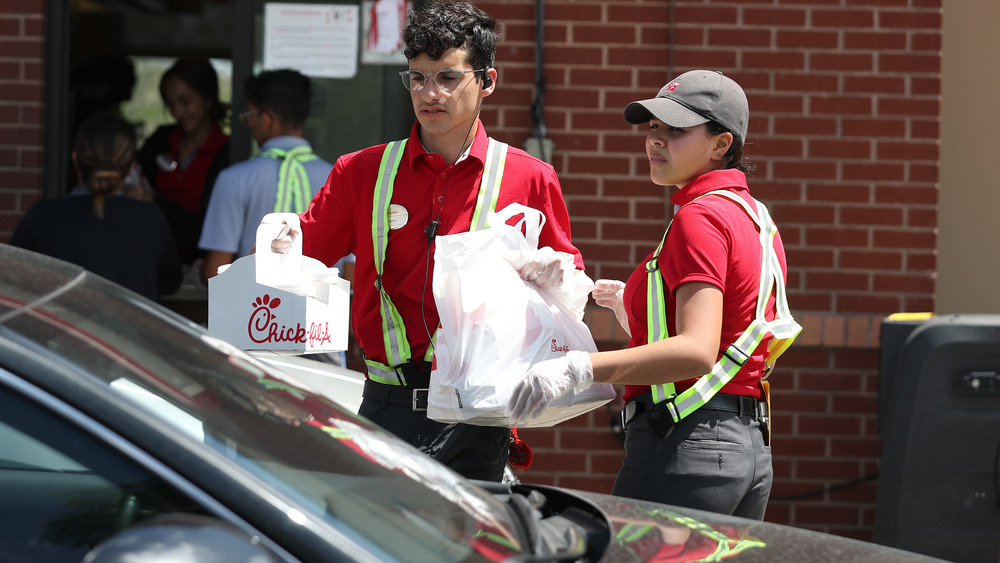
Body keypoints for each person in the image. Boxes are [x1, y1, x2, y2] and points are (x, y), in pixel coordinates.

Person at [265, 0, 583, 481]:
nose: (429, 93)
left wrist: (558, 276)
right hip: (384, 400)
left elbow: (569, 294)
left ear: (488, 82)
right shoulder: (361, 171)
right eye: (417, 77)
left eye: (448, 78)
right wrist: (278, 238)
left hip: (477, 409)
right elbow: (303, 253)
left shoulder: (529, 177)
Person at [506, 70, 801, 518]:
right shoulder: (753, 216)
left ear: (722, 144)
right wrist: (634, 307)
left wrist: (577, 367)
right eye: (653, 128)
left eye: (676, 130)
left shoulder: (699, 218)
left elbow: (696, 349)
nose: (656, 141)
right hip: (744, 448)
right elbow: (728, 332)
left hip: (686, 443)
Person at [11, 111, 182, 301]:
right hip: (129, 330)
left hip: (60, 329)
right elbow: (170, 283)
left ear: (75, 159)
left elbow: (12, 279)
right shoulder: (152, 218)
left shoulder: (42, 215)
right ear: (132, 167)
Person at [197, 68, 340, 286]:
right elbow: (351, 272)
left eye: (249, 116)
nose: (249, 124)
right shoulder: (338, 178)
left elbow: (215, 273)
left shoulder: (233, 179)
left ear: (266, 119)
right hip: (321, 317)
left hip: (254, 316)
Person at [137, 56, 230, 274]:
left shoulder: (226, 154)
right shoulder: (160, 140)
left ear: (208, 99)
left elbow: (207, 225)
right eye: (170, 104)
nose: (177, 112)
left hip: (199, 269)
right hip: (151, 260)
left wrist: (153, 201)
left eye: (185, 101)